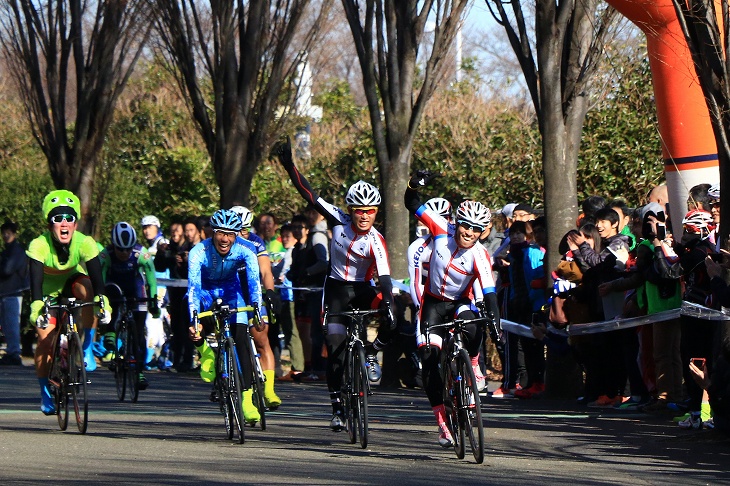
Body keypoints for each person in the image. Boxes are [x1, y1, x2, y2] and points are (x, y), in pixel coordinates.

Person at [278, 142, 397, 432]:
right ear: (350, 210)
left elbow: (383, 278)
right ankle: (337, 408)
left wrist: (388, 305)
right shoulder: (337, 220)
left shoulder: (376, 240)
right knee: (335, 346)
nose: (364, 215)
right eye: (359, 210)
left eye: (370, 210)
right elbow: (309, 193)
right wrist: (289, 166)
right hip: (335, 290)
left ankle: (371, 353)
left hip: (364, 288)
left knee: (393, 316)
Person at [404, 170, 500, 448]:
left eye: (475, 229)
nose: (468, 233)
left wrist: (496, 323)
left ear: (482, 232)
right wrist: (415, 184)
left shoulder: (480, 254)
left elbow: (490, 292)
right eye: (465, 226)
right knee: (431, 359)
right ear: (456, 223)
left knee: (474, 322)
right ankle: (442, 423)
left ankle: (472, 364)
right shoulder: (439, 228)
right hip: (433, 303)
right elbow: (412, 203)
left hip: (458, 303)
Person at [26, 190, 110, 414]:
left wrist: (103, 302)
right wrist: (37, 306)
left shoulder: (85, 242)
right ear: (49, 223)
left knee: (89, 289)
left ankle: (88, 346)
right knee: (45, 341)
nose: (64, 224)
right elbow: (35, 280)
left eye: (69, 218)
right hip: (47, 292)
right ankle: (44, 391)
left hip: (72, 282)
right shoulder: (39, 245)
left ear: (75, 223)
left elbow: (96, 277)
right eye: (57, 218)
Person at [187, 209, 264, 424]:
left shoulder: (246, 249)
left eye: (231, 234)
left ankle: (247, 398)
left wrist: (257, 308)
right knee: (197, 325)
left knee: (241, 338)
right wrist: (194, 319)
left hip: (232, 290)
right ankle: (206, 353)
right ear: (213, 233)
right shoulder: (198, 252)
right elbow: (193, 288)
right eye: (221, 233)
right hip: (205, 289)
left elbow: (253, 282)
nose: (225, 239)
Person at [229, 205, 282, 409]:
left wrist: (269, 293)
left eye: (245, 229)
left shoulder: (256, 241)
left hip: (252, 293)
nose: (241, 233)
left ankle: (269, 389)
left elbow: (266, 271)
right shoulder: (225, 242)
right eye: (238, 229)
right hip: (233, 293)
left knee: (261, 338)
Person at [99, 222, 159, 389]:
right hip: (114, 286)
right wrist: (101, 303)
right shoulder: (106, 254)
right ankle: (110, 331)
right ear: (114, 245)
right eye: (120, 249)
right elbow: (100, 281)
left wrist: (154, 302)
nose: (125, 253)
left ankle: (139, 371)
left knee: (139, 334)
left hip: (134, 287)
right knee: (111, 295)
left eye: (128, 249)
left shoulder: (141, 254)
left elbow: (152, 280)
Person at [141, 215, 170, 370]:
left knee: (151, 321)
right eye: (144, 227)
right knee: (157, 324)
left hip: (160, 288)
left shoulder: (162, 242)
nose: (146, 230)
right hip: (151, 287)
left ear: (157, 227)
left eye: (150, 227)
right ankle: (160, 355)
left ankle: (149, 356)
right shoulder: (149, 245)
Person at [0, 219, 28, 366]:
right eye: (4, 233)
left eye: (8, 233)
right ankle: (11, 351)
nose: (5, 236)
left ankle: (15, 353)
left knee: (12, 324)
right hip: (5, 292)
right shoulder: (7, 250)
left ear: (14, 234)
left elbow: (7, 269)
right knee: (6, 325)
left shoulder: (16, 250)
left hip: (13, 292)